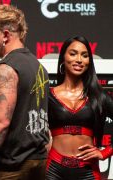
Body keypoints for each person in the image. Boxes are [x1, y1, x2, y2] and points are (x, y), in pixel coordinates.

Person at [0, 4, 50, 180]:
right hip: (38, 163)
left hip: (12, 167)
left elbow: (0, 122)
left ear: (5, 35)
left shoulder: (5, 68)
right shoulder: (38, 66)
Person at [46, 36, 113, 180]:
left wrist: (105, 152)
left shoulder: (99, 96)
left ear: (89, 62)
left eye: (85, 55)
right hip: (53, 170)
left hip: (88, 170)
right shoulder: (48, 95)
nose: (79, 59)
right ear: (63, 58)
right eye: (73, 53)